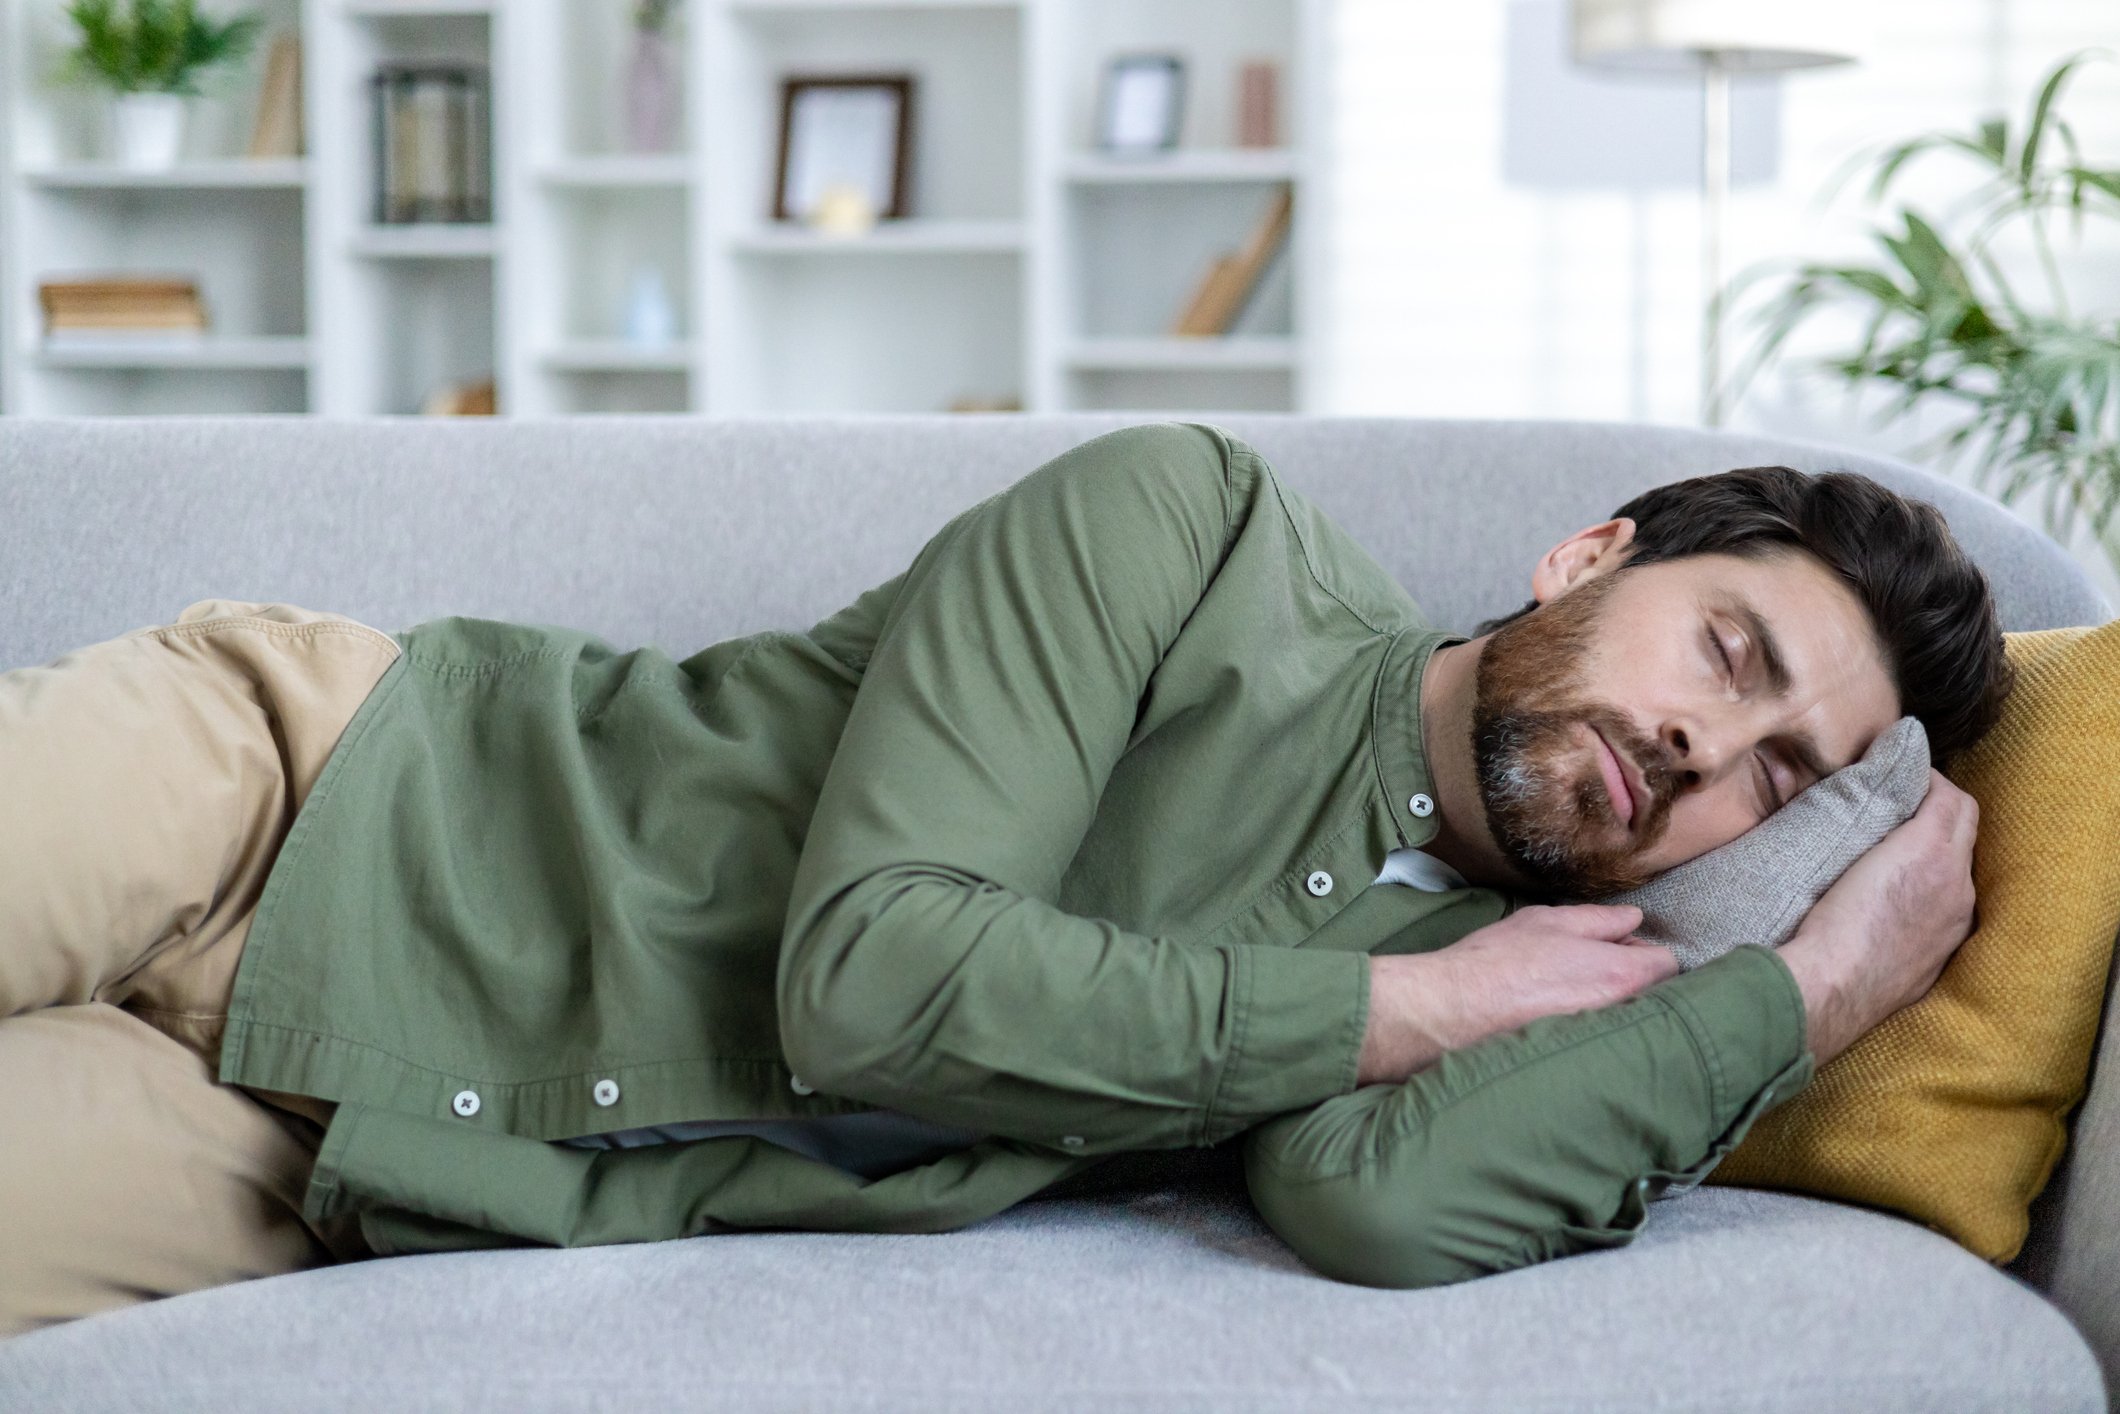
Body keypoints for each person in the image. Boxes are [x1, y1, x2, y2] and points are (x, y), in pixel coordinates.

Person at [0, 421, 2008, 1335]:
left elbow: (1375, 1200)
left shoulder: (1505, 975)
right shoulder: (1191, 529)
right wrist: (1384, 1009)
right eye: (1725, 654)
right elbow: (871, 975)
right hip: (309, 787)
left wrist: (1803, 994)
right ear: (1591, 555)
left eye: (1779, 778)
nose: (1698, 752)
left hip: (349, 1137)